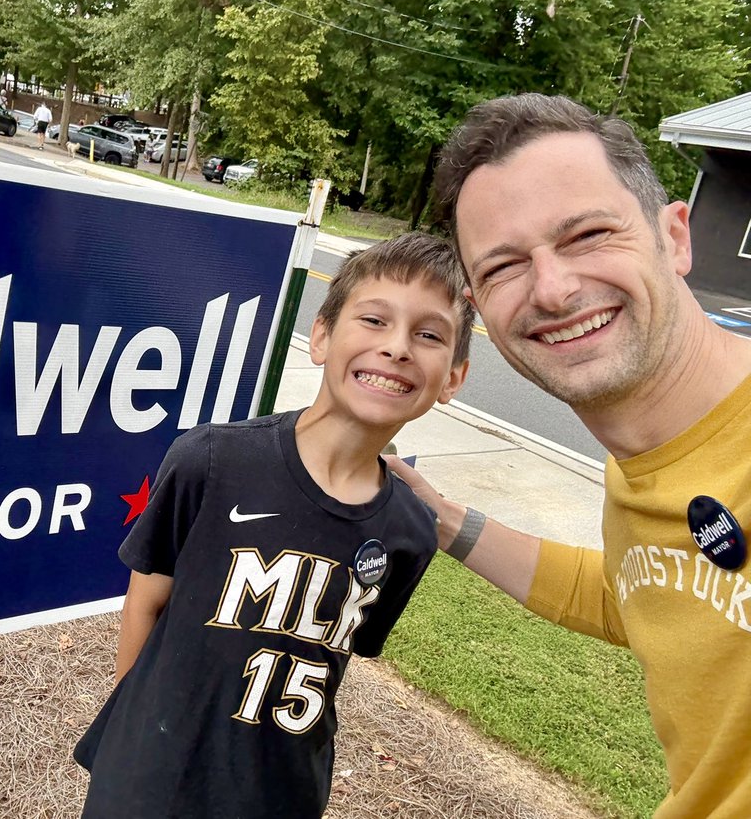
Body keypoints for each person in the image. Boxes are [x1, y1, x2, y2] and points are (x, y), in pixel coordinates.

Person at [386, 93, 751, 819]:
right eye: (504, 267)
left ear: (675, 237)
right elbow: (639, 597)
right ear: (481, 307)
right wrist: (441, 519)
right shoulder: (642, 461)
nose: (552, 290)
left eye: (588, 234)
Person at [74, 233, 473, 818]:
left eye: (429, 335)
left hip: (282, 796)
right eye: (374, 320)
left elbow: (335, 660)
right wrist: (133, 746)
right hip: (149, 785)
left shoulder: (410, 531)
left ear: (454, 378)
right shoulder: (212, 460)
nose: (396, 348)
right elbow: (145, 602)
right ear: (321, 336)